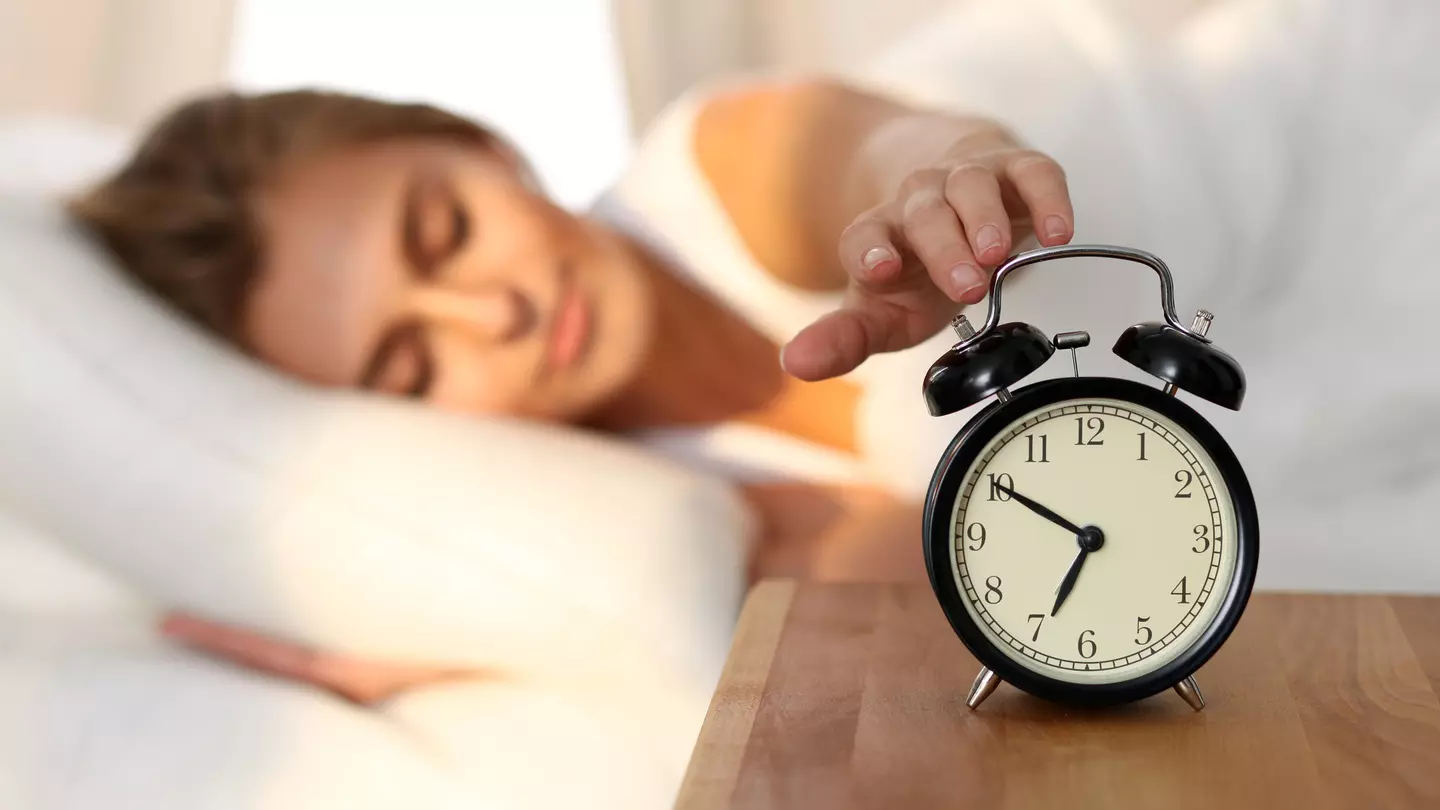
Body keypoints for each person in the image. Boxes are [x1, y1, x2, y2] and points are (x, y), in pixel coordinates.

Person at [69, 78, 1076, 704]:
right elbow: (1017, 600)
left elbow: (866, 151)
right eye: (412, 367)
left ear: (482, 143)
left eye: (447, 231)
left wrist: (942, 177)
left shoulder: (721, 170)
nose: (490, 314)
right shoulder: (692, 522)